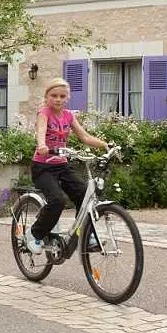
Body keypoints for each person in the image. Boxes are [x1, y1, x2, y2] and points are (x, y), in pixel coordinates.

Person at [26, 77, 108, 253]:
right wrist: (42, 145)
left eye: (62, 96)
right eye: (54, 95)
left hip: (62, 165)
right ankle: (34, 234)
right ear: (47, 97)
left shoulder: (69, 115)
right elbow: (41, 131)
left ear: (67, 98)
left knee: (85, 196)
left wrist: (104, 144)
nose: (58, 99)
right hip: (43, 166)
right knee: (57, 200)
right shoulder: (44, 113)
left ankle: (85, 235)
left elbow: (84, 137)